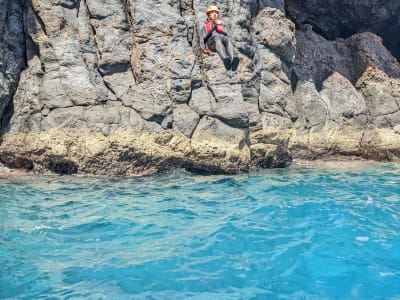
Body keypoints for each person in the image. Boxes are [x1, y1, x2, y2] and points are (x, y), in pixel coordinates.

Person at [202, 5, 239, 71]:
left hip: (222, 38)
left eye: (216, 12)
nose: (215, 14)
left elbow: (228, 34)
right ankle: (225, 59)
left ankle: (233, 60)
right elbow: (203, 38)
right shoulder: (205, 27)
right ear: (208, 15)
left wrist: (223, 31)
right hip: (212, 43)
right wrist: (212, 29)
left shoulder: (223, 24)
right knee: (217, 38)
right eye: (212, 13)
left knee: (227, 39)